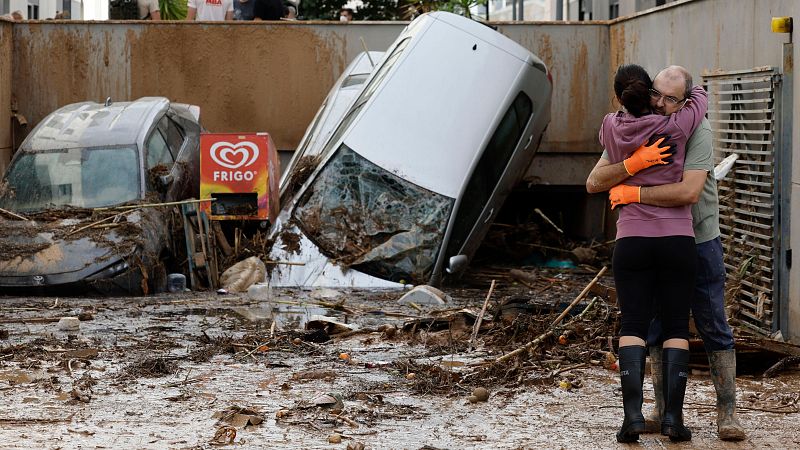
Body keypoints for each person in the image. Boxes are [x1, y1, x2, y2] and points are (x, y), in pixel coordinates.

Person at [587, 65, 746, 441]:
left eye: (670, 98)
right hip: (670, 239)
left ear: (685, 101)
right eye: (654, 93)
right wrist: (633, 163)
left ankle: (727, 413)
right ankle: (662, 409)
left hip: (699, 236)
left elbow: (689, 192)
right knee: (661, 325)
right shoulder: (656, 121)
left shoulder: (695, 128)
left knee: (711, 323)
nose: (659, 102)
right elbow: (596, 179)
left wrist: (634, 191)